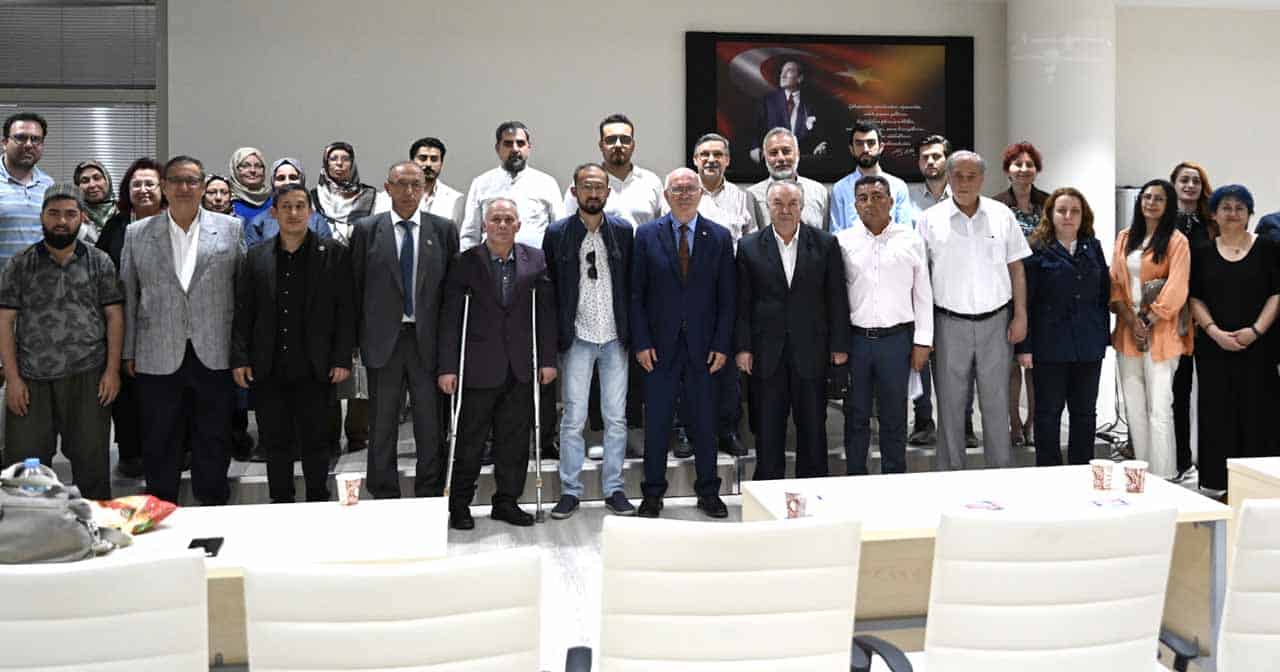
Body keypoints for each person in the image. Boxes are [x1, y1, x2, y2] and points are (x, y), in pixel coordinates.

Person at [120, 156, 245, 506]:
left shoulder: (230, 229)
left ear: (203, 186)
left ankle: (213, 509)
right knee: (159, 439)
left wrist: (241, 352)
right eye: (176, 180)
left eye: (192, 181)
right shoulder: (137, 233)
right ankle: (161, 511)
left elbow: (243, 294)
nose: (184, 187)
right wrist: (128, 350)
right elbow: (129, 295)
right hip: (156, 352)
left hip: (215, 350)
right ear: (164, 186)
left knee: (213, 438)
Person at [438, 197, 557, 529]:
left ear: (518, 225)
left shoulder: (535, 260)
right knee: (469, 440)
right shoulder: (465, 262)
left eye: (508, 219)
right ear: (484, 225)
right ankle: (459, 505)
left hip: (520, 367)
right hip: (477, 366)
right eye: (495, 219)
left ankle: (506, 501)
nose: (502, 225)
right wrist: (448, 367)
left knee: (514, 441)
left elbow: (545, 314)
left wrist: (547, 359)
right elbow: (450, 318)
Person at [232, 183, 354, 503]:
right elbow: (244, 311)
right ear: (274, 213)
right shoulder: (256, 256)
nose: (294, 213)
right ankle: (280, 502)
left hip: (316, 366)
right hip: (269, 366)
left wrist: (342, 358)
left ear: (310, 212)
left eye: (300, 206)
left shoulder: (334, 253)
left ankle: (317, 500)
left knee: (317, 442)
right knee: (275, 443)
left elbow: (346, 311)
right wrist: (241, 358)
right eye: (286, 206)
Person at [0, 184, 122, 500]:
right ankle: (29, 528)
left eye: (70, 214)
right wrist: (12, 379)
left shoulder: (99, 262)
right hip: (31, 380)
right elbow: (5, 322)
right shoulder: (20, 264)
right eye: (54, 213)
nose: (61, 221)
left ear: (82, 217)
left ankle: (95, 526)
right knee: (25, 471)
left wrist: (112, 371)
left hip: (88, 378)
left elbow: (114, 317)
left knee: (92, 465)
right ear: (42, 216)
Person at [630, 168, 736, 518]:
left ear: (701, 194)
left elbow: (727, 298)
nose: (685, 194)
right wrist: (641, 342)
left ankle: (709, 492)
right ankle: (652, 494)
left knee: (704, 424)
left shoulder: (719, 236)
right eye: (678, 189)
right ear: (666, 195)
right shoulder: (646, 235)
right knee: (658, 424)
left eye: (691, 188)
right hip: (658, 348)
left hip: (705, 348)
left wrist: (722, 344)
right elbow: (636, 295)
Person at [349, 162, 458, 499]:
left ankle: (430, 492)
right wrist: (355, 343)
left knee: (430, 424)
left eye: (416, 184)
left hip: (428, 342)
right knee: (382, 425)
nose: (409, 192)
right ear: (388, 188)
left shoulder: (443, 230)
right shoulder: (367, 230)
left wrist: (450, 349)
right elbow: (355, 287)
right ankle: (383, 493)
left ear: (425, 188)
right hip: (384, 342)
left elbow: (451, 295)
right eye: (401, 184)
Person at [917, 151, 1031, 471]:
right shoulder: (929, 220)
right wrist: (925, 331)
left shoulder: (1002, 215)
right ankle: (951, 474)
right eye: (958, 176)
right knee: (950, 405)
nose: (964, 182)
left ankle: (1000, 472)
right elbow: (921, 279)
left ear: (982, 179)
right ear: (948, 177)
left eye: (971, 176)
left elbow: (1017, 268)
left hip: (997, 322)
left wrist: (1021, 314)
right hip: (948, 322)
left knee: (996, 403)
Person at [736, 180, 849, 479]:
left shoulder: (825, 243)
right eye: (778, 204)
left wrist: (839, 347)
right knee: (768, 429)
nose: (785, 210)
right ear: (768, 207)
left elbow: (836, 298)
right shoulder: (748, 246)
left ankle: (814, 493)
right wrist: (743, 347)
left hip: (811, 351)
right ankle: (767, 493)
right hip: (766, 353)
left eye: (792, 204)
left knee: (812, 428)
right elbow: (742, 302)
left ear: (802, 207)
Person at [544, 164, 635, 518]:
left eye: (599, 187)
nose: (593, 193)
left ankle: (614, 488)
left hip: (614, 337)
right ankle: (570, 490)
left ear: (608, 192)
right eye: (587, 186)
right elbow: (551, 290)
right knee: (573, 418)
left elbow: (632, 285)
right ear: (574, 191)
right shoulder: (557, 233)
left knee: (616, 418)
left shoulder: (623, 232)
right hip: (577, 337)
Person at [563, 114, 664, 434]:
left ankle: (632, 429)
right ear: (600, 144)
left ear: (633, 144)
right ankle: (597, 430)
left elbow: (662, 229)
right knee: (597, 351)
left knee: (636, 352)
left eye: (624, 139)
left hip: (642, 280)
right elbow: (569, 232)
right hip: (598, 283)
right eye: (611, 139)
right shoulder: (588, 182)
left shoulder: (651, 182)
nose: (618, 145)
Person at [837, 176, 933, 475]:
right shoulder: (842, 242)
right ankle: (856, 478)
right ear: (855, 205)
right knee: (856, 416)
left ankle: (894, 480)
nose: (871, 203)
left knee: (894, 416)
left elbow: (923, 293)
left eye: (878, 196)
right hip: (856, 342)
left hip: (897, 341)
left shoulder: (911, 239)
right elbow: (835, 297)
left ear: (891, 202)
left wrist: (923, 342)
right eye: (863, 198)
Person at [1188, 185, 1279, 493]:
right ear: (1214, 214)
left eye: (1240, 208)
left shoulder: (1267, 248)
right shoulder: (1201, 252)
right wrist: (1214, 331)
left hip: (1259, 347)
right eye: (1226, 207)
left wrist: (1256, 331)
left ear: (1250, 214)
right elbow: (1195, 298)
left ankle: (1259, 486)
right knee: (1217, 413)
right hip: (1214, 348)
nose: (1233, 213)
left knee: (1259, 414)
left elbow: (1277, 294)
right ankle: (1217, 484)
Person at [1015, 188, 1110, 466]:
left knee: (1084, 414)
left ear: (1083, 216)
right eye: (1062, 210)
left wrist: (1102, 337)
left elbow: (1103, 294)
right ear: (1051, 214)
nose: (1068, 216)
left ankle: (1083, 470)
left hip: (1088, 346)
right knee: (1048, 414)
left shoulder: (1092, 247)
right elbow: (1026, 301)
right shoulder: (1036, 249)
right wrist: (1025, 347)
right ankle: (1049, 472)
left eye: (1075, 211)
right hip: (1049, 345)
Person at [1109, 179, 1191, 481]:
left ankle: (1164, 475)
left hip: (1162, 332)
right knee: (1134, 408)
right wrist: (1132, 321)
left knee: (1160, 408)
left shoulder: (1177, 241)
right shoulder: (1124, 237)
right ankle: (1140, 475)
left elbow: (1177, 287)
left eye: (1158, 199)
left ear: (1168, 205)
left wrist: (1149, 319)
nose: (1151, 203)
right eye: (1146, 197)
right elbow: (1115, 283)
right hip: (1128, 330)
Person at [905, 134, 977, 448]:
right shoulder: (906, 199)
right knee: (920, 360)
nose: (930, 162)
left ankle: (963, 424)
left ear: (947, 160)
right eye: (925, 157)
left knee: (960, 364)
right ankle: (923, 423)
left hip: (956, 294)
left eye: (936, 156)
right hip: (917, 293)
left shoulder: (964, 197)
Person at [96, 158, 166, 478]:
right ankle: (130, 453)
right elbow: (101, 270)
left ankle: (171, 451)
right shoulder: (117, 226)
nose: (143, 189)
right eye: (136, 184)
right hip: (121, 322)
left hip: (165, 323)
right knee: (127, 393)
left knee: (166, 395)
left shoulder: (175, 223)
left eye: (150, 183)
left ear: (163, 188)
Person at [691, 132, 757, 456]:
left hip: (730, 291)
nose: (711, 160)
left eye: (718, 155)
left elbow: (752, 244)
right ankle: (688, 430)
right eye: (705, 155)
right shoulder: (684, 192)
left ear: (728, 160)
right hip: (690, 291)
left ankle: (728, 429)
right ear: (695, 160)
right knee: (690, 363)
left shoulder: (743, 198)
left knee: (728, 366)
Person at [994, 141, 1049, 448]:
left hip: (1042, 292)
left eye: (1029, 164)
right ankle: (1014, 422)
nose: (1023, 169)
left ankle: (1033, 423)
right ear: (1008, 170)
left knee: (1037, 364)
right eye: (1017, 164)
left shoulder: (1049, 203)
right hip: (1007, 292)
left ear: (1036, 170)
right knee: (1012, 363)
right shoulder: (996, 205)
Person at [1169, 161, 1216, 483]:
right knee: (1178, 392)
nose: (1190, 186)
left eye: (1195, 181)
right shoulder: (1162, 222)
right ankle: (1180, 460)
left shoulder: (1211, 225)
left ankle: (1210, 462)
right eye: (1184, 180)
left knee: (1210, 392)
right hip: (1174, 321)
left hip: (1208, 318)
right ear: (1174, 184)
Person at [459, 121, 565, 251]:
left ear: (529, 147)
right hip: (490, 261)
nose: (515, 149)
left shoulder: (547, 183)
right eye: (508, 144)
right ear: (498, 148)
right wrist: (470, 261)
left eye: (520, 143)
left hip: (537, 261)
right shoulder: (481, 184)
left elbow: (561, 232)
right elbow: (470, 235)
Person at [828, 119, 913, 234]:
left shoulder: (898, 186)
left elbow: (905, 232)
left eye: (871, 143)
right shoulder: (840, 188)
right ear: (851, 149)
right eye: (859, 144)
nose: (865, 149)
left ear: (881, 147)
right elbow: (836, 234)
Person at [749, 60, 835, 163]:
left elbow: (821, 132)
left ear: (800, 78)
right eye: (782, 72)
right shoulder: (768, 101)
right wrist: (755, 147)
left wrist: (821, 144)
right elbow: (756, 130)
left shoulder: (814, 103)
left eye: (789, 71)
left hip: (804, 160)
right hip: (775, 160)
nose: (782, 75)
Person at [747, 127, 831, 231]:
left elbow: (827, 236)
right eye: (773, 153)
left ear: (797, 153)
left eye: (786, 151)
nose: (781, 158)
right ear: (765, 157)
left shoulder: (819, 192)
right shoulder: (752, 195)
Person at [0, 112, 54, 271]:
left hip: (38, 281)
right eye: (20, 138)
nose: (29, 144)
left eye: (35, 139)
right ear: (5, 143)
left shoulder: (48, 184)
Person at [373, 137, 465, 224]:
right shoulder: (385, 198)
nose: (428, 164)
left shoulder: (455, 199)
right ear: (411, 161)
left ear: (441, 163)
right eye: (423, 158)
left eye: (434, 159)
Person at [245, 158, 333, 248]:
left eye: (293, 177)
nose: (287, 182)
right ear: (273, 182)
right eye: (281, 178)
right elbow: (255, 255)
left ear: (302, 180)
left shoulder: (317, 221)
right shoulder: (258, 223)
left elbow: (327, 252)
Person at [312, 141, 377, 243]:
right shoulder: (315, 197)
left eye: (345, 159)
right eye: (333, 159)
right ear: (326, 163)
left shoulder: (368, 195)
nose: (339, 163)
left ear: (352, 164)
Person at [74, 161, 117, 244]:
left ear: (107, 181)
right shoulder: (74, 218)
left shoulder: (123, 213)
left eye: (97, 178)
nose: (92, 185)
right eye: (85, 181)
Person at [227, 147, 271, 224]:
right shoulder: (226, 200)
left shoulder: (274, 200)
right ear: (235, 169)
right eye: (245, 166)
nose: (252, 170)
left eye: (258, 166)